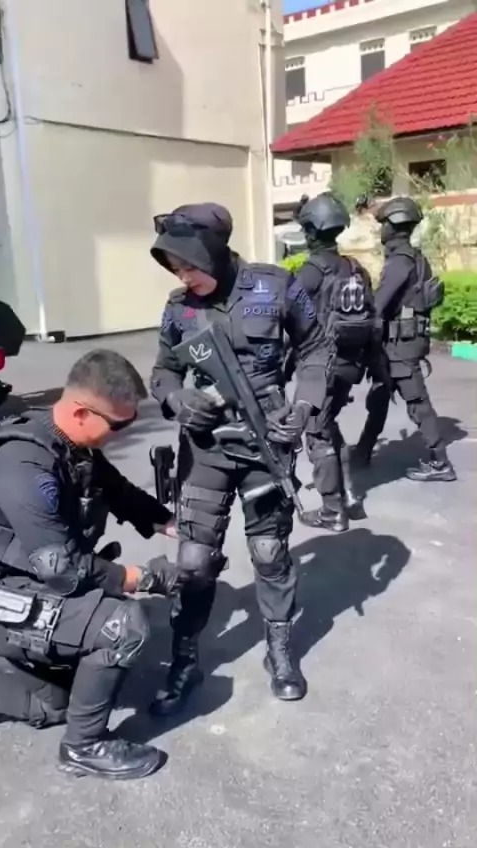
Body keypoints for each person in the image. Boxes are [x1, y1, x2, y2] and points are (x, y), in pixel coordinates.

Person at [150, 202, 326, 710]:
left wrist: (304, 407)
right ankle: (185, 663)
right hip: (205, 448)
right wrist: (177, 399)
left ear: (213, 253)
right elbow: (162, 371)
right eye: (176, 269)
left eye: (189, 266)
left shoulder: (275, 286)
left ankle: (280, 652)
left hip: (265, 441)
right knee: (193, 561)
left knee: (269, 552)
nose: (184, 278)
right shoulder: (179, 308)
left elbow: (317, 347)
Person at [0, 349, 183, 780]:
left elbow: (118, 492)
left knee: (55, 703)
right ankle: (84, 748)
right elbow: (62, 570)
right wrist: (140, 578)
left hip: (27, 582)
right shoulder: (24, 465)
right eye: (118, 425)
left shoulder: (68, 444)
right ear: (82, 412)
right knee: (122, 625)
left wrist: (170, 524)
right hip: (9, 590)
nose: (122, 433)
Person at [291, 192, 381, 533]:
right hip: (351, 365)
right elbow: (373, 319)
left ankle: (333, 510)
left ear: (312, 231)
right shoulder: (355, 269)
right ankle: (349, 496)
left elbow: (287, 318)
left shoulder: (311, 271)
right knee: (328, 425)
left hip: (321, 367)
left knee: (317, 431)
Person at [353, 197, 456, 482]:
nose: (381, 230)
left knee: (417, 402)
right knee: (380, 396)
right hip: (400, 343)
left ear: (394, 226)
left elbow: (379, 305)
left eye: (383, 225)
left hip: (400, 347)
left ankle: (441, 462)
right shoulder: (415, 258)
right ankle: (363, 451)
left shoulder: (400, 262)